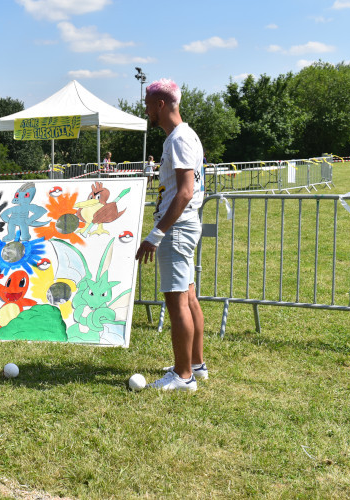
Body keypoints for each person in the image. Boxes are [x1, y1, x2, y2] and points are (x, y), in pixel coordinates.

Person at [135, 78, 207, 392]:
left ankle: (183, 376)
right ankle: (195, 364)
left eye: (148, 104)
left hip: (176, 228)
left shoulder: (178, 139)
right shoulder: (182, 136)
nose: (146, 109)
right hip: (182, 226)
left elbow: (185, 191)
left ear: (161, 105)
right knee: (188, 296)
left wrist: (156, 234)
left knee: (176, 300)